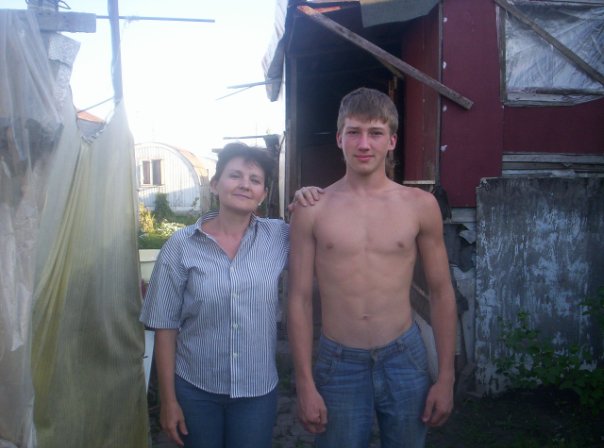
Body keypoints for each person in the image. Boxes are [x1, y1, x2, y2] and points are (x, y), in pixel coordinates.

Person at [287, 87, 457, 448]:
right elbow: (298, 298)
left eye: (375, 133)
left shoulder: (420, 205)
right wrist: (304, 383)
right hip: (339, 361)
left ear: (392, 141)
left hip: (404, 356)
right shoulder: (312, 208)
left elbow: (442, 292)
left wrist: (446, 377)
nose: (364, 144)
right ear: (339, 138)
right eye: (354, 132)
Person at [140, 142, 319, 448]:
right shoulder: (181, 246)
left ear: (263, 193)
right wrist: (168, 400)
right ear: (215, 184)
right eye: (235, 175)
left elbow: (322, 233)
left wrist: (310, 199)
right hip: (196, 389)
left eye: (255, 179)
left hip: (256, 391)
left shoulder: (279, 237)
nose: (245, 184)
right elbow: (165, 326)